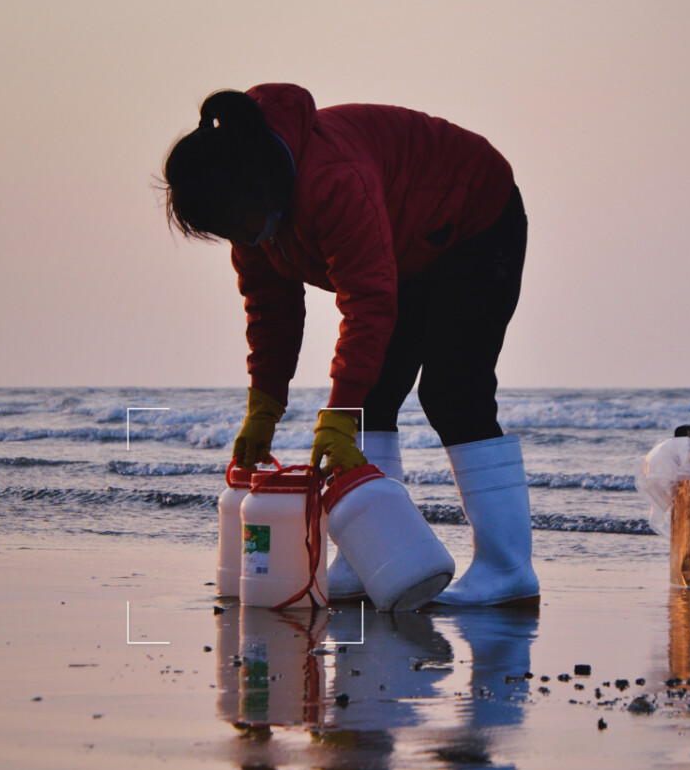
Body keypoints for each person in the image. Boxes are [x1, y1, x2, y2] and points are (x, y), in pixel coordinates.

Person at [163, 83, 538, 607]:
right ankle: (374, 557)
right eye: (226, 232)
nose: (241, 238)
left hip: (475, 216)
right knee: (375, 397)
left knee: (455, 393)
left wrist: (338, 412)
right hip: (405, 244)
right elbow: (271, 314)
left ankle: (507, 569)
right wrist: (264, 407)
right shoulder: (250, 219)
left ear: (256, 186)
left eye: (238, 223)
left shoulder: (331, 180)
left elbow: (368, 300)